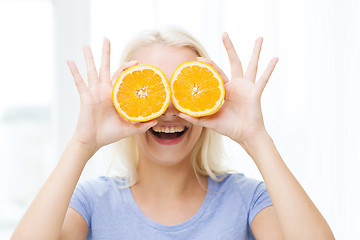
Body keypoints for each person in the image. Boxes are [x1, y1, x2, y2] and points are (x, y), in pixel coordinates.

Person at [11, 28, 335, 239]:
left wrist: (256, 138)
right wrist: (82, 143)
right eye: (151, 92)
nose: (168, 111)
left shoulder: (248, 200)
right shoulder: (92, 202)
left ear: (211, 99)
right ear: (125, 102)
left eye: (183, 91)